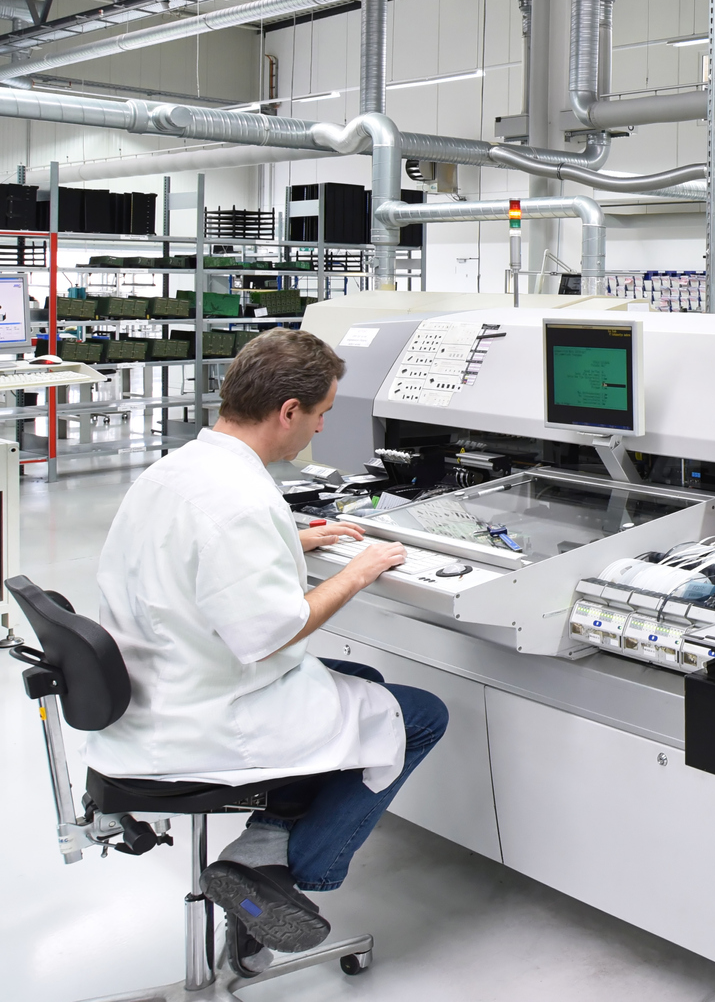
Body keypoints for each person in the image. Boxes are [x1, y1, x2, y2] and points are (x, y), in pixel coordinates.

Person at [88, 329, 446, 969]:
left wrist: (296, 542)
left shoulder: (181, 468)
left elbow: (196, 557)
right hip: (205, 714)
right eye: (323, 413)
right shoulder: (243, 500)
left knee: (358, 676)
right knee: (419, 714)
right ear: (288, 411)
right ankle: (278, 876)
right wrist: (357, 571)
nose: (321, 428)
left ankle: (265, 842)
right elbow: (271, 632)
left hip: (158, 686)